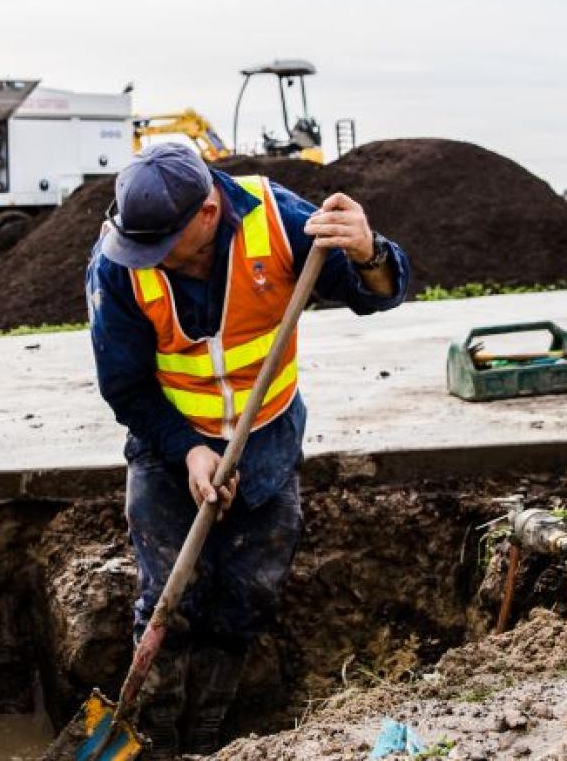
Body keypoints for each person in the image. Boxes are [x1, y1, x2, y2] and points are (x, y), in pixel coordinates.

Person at [84, 144, 411, 757]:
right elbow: (124, 384)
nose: (148, 260)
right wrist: (187, 450)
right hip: (167, 445)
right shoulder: (118, 262)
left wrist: (368, 253)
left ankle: (211, 731)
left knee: (247, 593)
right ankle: (153, 735)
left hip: (265, 440)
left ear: (207, 214)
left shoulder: (279, 220)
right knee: (167, 597)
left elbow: (377, 295)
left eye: (163, 247)